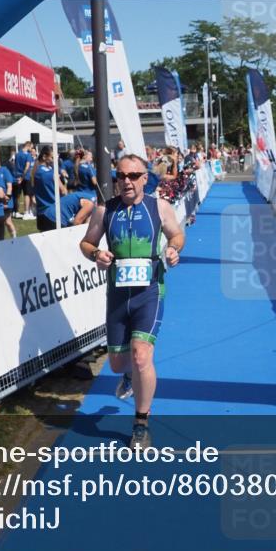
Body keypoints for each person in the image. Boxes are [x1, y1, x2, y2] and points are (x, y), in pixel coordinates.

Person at [79, 154, 184, 449]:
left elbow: (177, 235)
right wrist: (95, 254)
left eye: (133, 176)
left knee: (141, 355)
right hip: (117, 295)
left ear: (145, 178)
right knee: (117, 364)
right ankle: (127, 375)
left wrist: (174, 249)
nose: (127, 181)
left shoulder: (159, 207)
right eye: (121, 175)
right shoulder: (105, 210)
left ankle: (140, 423)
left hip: (149, 293)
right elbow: (86, 243)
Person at [31, 145, 67, 232]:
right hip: (53, 213)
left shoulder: (35, 171)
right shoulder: (51, 174)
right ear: (44, 157)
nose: (55, 160)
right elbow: (64, 191)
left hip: (41, 213)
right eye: (52, 157)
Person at [0, 148, 17, 238]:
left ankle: (14, 238)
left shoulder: (4, 170)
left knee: (7, 221)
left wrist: (7, 199)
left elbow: (9, 186)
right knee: (2, 222)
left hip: (6, 201)